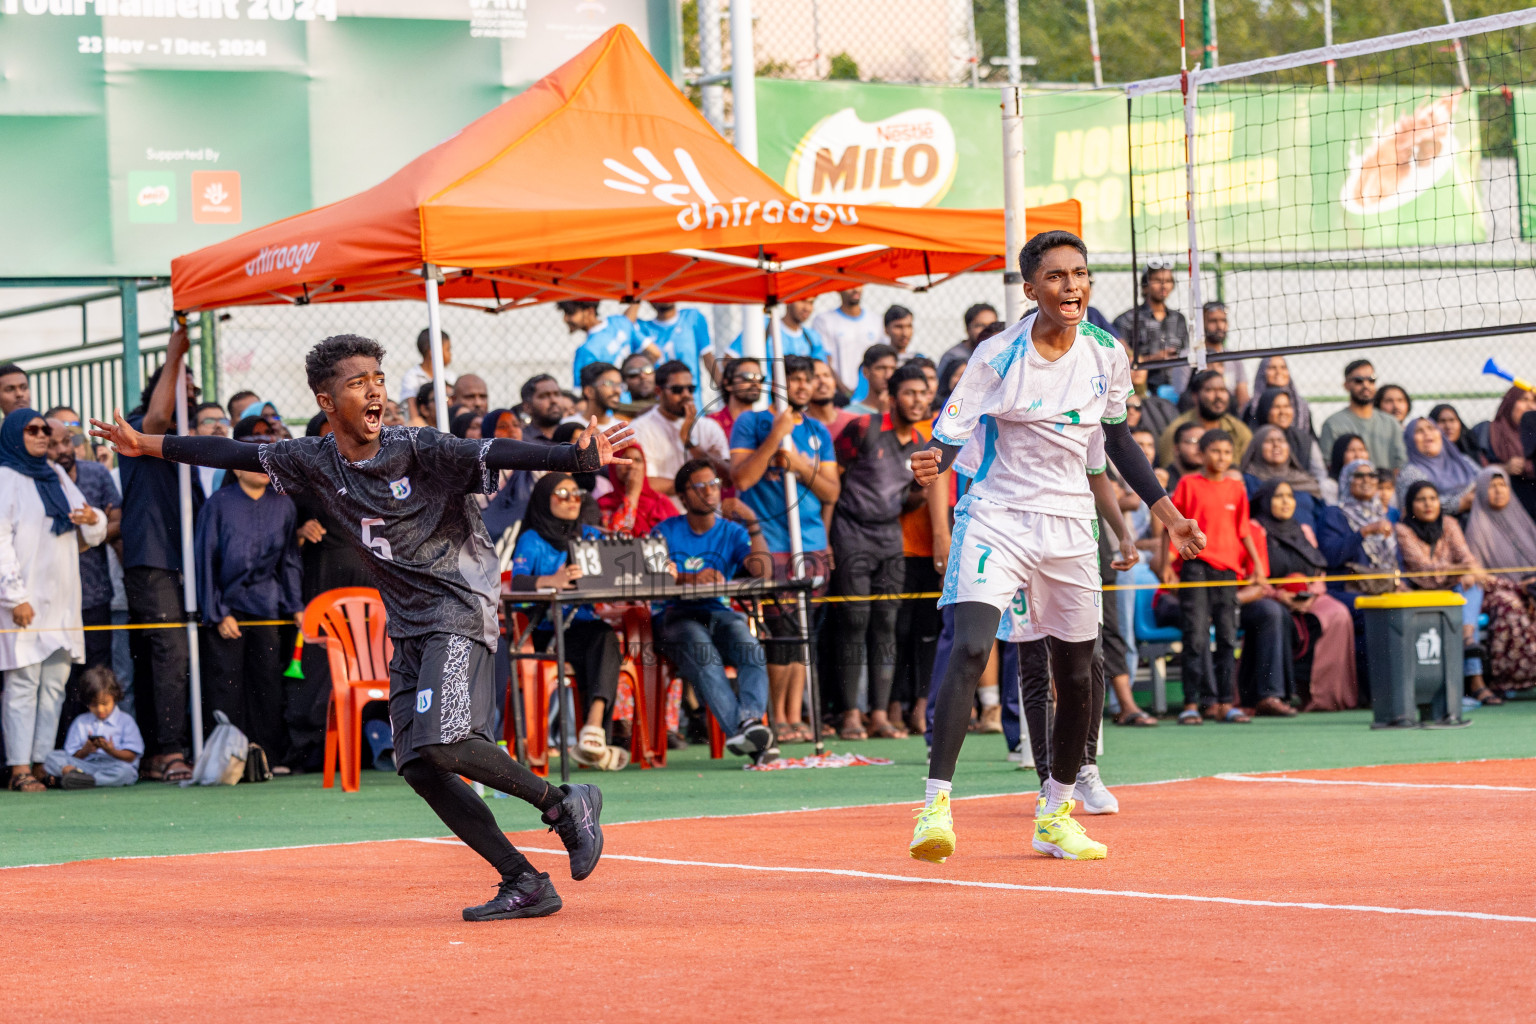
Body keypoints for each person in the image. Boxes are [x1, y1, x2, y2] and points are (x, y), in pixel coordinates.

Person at [92, 331, 624, 921]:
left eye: (378, 379)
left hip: (458, 606)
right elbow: (234, 455)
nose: (374, 391)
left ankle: (564, 804)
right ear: (327, 400)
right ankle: (523, 879)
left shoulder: (418, 446)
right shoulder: (312, 460)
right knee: (419, 764)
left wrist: (572, 456)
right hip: (408, 623)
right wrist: (145, 442)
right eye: (357, 382)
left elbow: (498, 451)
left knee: (445, 741)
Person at [908, 230, 1204, 864]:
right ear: (1031, 288)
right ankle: (934, 805)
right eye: (1056, 277)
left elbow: (1119, 441)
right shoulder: (997, 355)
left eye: (1080, 274)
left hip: (1070, 523)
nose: (1071, 286)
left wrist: (1166, 513)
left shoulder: (1106, 354)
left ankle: (1057, 810)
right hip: (997, 515)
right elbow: (950, 435)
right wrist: (935, 461)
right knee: (969, 647)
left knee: (1079, 670)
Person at [730, 354, 840, 746]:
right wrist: (775, 436)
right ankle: (777, 716)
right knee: (781, 632)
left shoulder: (816, 432)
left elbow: (831, 490)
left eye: (806, 380)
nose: (801, 387)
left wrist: (796, 463)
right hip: (773, 545)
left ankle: (795, 714)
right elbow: (742, 479)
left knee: (802, 634)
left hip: (810, 543)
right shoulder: (751, 423)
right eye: (792, 379)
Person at [1, 408, 107, 792]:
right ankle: (18, 768)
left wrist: (91, 518)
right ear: (15, 435)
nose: (43, 436)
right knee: (23, 684)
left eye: (46, 430)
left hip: (62, 599)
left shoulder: (57, 474)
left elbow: (93, 527)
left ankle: (43, 762)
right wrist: (16, 597)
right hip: (24, 602)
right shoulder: (5, 478)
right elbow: (1, 545)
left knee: (53, 686)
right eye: (33, 430)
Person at [118, 333, 204, 784]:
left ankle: (171, 747)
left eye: (193, 385)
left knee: (178, 653)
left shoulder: (190, 443)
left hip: (187, 559)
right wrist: (175, 355)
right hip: (153, 559)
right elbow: (156, 418)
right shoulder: (137, 430)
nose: (189, 389)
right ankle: (169, 750)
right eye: (180, 383)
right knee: (169, 651)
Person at [830, 364, 931, 740]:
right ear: (891, 399)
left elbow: (907, 499)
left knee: (887, 624)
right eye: (909, 393)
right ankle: (851, 714)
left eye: (922, 393)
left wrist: (922, 492)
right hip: (851, 532)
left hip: (890, 537)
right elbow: (832, 480)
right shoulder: (863, 428)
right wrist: (829, 539)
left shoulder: (921, 443)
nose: (917, 400)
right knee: (854, 621)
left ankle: (878, 715)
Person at [654, 459, 777, 763]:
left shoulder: (733, 532)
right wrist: (687, 578)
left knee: (751, 647)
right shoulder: (665, 531)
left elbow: (763, 573)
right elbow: (650, 577)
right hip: (676, 616)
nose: (710, 492)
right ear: (683, 496)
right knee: (702, 651)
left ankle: (748, 725)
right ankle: (749, 734)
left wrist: (753, 523)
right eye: (700, 486)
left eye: (714, 485)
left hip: (718, 613)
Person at [509, 473, 629, 772]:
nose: (572, 500)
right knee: (604, 641)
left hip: (582, 628)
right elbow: (518, 582)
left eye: (576, 494)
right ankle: (595, 739)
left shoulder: (590, 535)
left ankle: (592, 729)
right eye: (562, 494)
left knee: (604, 638)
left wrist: (654, 567)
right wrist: (553, 581)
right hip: (545, 632)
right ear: (543, 500)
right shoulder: (531, 539)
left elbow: (619, 565)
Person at [195, 435, 303, 765]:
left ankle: (267, 757)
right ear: (235, 468)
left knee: (268, 682)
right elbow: (206, 560)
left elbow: (289, 560)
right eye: (251, 461)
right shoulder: (218, 503)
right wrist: (217, 611)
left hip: (266, 608)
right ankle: (228, 760)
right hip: (227, 608)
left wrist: (296, 604)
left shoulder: (283, 504)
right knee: (225, 683)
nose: (259, 469)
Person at [1166, 429, 1260, 725]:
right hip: (1196, 567)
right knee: (1194, 637)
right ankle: (1192, 702)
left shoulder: (1236, 489)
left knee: (1227, 637)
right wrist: (1167, 563)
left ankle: (1224, 702)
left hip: (1228, 571)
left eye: (1226, 452)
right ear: (1202, 454)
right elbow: (1173, 525)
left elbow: (1243, 530)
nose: (1221, 457)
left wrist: (1256, 564)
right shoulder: (1188, 484)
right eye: (1215, 451)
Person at [1251, 479, 1358, 711]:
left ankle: (1327, 697)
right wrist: (1280, 596)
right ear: (1266, 502)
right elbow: (1253, 575)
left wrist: (1311, 594)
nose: (1286, 502)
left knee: (1338, 614)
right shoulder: (1255, 529)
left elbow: (1319, 571)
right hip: (1270, 597)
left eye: (1289, 497)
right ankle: (1291, 692)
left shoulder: (1304, 530)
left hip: (1309, 597)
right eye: (1279, 497)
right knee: (1279, 617)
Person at [47, 418, 121, 736]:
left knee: (96, 676)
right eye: (54, 443)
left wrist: (92, 529)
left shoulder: (97, 474)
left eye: (68, 441)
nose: (63, 449)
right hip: (53, 599)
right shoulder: (38, 481)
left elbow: (117, 520)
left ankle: (97, 745)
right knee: (58, 679)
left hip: (94, 593)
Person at [1394, 481, 1496, 706]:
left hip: (1451, 590)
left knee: (1472, 587)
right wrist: (1461, 570)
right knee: (1464, 590)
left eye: (1433, 498)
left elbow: (1466, 557)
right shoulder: (1403, 530)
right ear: (1410, 505)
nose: (1428, 504)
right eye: (1421, 500)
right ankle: (1475, 681)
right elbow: (1423, 568)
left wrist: (1468, 571)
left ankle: (1468, 637)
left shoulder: (1449, 523)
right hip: (1421, 592)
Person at [1463, 467, 1536, 693]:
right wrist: (1516, 587)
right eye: (1492, 486)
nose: (1498, 490)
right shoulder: (1477, 526)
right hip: (1496, 591)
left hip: (1531, 587)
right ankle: (1512, 677)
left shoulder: (1523, 520)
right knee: (1510, 606)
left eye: (1502, 485)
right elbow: (1478, 576)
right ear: (1482, 491)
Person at [629, 362, 732, 510]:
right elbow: (644, 483)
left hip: (709, 520)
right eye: (677, 390)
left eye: (690, 389)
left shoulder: (709, 427)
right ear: (658, 391)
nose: (686, 395)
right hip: (663, 518)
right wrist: (695, 486)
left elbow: (727, 478)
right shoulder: (639, 428)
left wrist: (690, 443)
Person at [42, 667, 141, 789]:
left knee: (126, 772)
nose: (100, 709)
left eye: (105, 703)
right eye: (94, 704)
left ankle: (85, 781)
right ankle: (74, 776)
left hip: (113, 765)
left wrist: (111, 751)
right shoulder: (81, 722)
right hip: (85, 765)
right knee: (53, 757)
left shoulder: (126, 721)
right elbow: (71, 754)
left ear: (115, 697)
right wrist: (85, 751)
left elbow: (132, 756)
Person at [1318, 360, 1407, 475]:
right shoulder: (1333, 424)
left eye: (1371, 380)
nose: (1366, 385)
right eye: (1358, 380)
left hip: (1387, 490)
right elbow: (1327, 465)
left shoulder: (1391, 423)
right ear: (1346, 385)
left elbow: (1401, 463)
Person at [1112, 259, 1187, 391]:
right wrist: (1154, 358)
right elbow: (1118, 361)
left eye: (1168, 281)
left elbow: (1186, 354)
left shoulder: (1179, 319)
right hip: (1141, 390)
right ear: (1145, 285)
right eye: (1158, 280)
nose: (1164, 286)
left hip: (1177, 387)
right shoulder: (1127, 320)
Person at [1156, 369, 1251, 465]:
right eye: (1210, 390)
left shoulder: (1239, 430)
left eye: (1222, 390)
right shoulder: (1176, 431)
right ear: (1195, 396)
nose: (1219, 396)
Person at [1396, 416, 1480, 518]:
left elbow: (1486, 482)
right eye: (1419, 431)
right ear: (1410, 440)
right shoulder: (1409, 473)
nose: (1427, 433)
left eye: (1431, 428)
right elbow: (1412, 507)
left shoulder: (1462, 461)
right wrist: (1461, 502)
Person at [562, 299, 657, 388]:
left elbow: (581, 390)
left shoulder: (585, 350)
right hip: (632, 396)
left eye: (571, 313)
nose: (565, 318)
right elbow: (655, 353)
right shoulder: (620, 322)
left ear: (589, 311)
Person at [812, 287, 885, 392]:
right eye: (850, 285)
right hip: (838, 394)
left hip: (869, 394)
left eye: (859, 284)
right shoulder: (824, 320)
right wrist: (845, 392)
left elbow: (881, 360)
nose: (856, 289)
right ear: (838, 287)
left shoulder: (876, 320)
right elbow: (824, 361)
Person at [597, 444, 674, 537]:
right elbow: (616, 539)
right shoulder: (604, 504)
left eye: (637, 460)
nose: (632, 466)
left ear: (644, 466)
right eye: (625, 460)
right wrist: (632, 495)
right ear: (613, 466)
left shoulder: (661, 502)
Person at [1250, 384, 1323, 480]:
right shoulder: (1253, 439)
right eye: (1276, 407)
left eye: (1287, 406)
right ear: (1265, 409)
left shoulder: (1304, 440)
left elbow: (1320, 475)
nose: (1283, 412)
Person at [1488, 386, 1536, 519]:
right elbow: (1478, 468)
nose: (1531, 406)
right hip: (1503, 506)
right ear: (1510, 403)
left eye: (1534, 401)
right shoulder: (1490, 432)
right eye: (1524, 399)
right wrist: (1503, 469)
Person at [934, 303, 999, 401]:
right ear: (968, 329)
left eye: (992, 325)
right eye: (980, 325)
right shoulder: (954, 356)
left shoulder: (1000, 353)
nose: (986, 330)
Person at [1240, 424, 1321, 501]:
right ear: (1257, 447)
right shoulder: (1246, 482)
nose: (1276, 445)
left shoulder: (1305, 481)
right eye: (1269, 441)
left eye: (1281, 440)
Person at [639, 302, 713, 386]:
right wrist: (637, 295)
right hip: (659, 396)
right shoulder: (642, 327)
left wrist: (724, 393)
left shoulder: (692, 317)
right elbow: (625, 324)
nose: (664, 294)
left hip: (691, 395)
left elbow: (709, 359)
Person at [730, 298, 828, 361]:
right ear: (788, 300)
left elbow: (820, 369)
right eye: (802, 300)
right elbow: (731, 357)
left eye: (811, 303)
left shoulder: (812, 337)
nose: (807, 308)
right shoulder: (763, 326)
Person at [399, 328, 454, 423]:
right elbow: (413, 415)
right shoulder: (412, 376)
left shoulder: (450, 376)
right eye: (448, 349)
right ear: (433, 352)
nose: (450, 354)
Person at [1199, 302, 1248, 406]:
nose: (1220, 326)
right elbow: (1184, 397)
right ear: (1201, 324)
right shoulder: (1189, 357)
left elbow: (1243, 398)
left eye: (1223, 320)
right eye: (1213, 321)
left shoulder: (1234, 358)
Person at [709, 357, 763, 443]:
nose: (755, 383)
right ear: (728, 384)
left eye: (759, 378)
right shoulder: (711, 423)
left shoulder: (765, 423)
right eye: (747, 377)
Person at [846, 343, 899, 415]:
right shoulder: (850, 414)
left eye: (893, 369)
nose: (888, 375)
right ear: (866, 372)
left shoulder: (904, 414)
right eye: (881, 368)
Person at [578, 362, 626, 431]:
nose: (618, 390)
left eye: (619, 385)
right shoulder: (567, 427)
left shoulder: (622, 430)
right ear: (589, 391)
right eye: (609, 383)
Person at [519, 374, 566, 442]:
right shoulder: (521, 440)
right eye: (544, 396)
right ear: (527, 407)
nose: (553, 400)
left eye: (557, 394)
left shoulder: (573, 436)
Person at [1163, 420, 1205, 488]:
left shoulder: (1212, 479)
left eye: (1203, 441)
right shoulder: (1163, 481)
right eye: (1193, 441)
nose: (1199, 447)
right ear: (1176, 449)